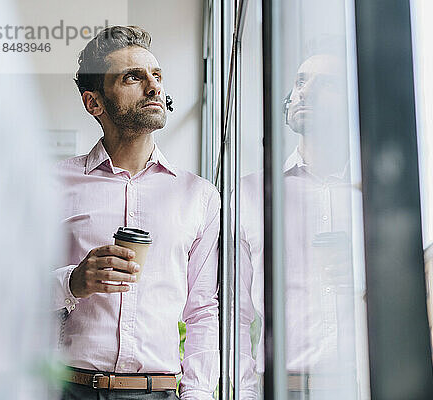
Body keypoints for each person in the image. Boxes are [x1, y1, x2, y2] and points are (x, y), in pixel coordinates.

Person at [53, 25, 227, 400]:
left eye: (157, 75)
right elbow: (11, 290)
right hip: (69, 389)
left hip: (159, 392)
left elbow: (202, 310)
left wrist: (197, 394)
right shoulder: (53, 185)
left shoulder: (198, 196)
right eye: (133, 77)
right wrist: (73, 282)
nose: (153, 87)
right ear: (94, 103)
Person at [240, 51, 361, 399]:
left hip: (363, 386)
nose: (304, 92)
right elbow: (233, 314)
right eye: (301, 81)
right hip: (280, 389)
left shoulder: (372, 196)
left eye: (327, 85)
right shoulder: (251, 194)